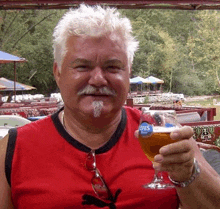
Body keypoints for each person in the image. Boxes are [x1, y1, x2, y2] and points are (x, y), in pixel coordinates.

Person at [0, 4, 220, 209]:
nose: (97, 79)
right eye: (82, 66)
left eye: (112, 67)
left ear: (128, 73)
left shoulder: (165, 134)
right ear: (58, 73)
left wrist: (187, 173)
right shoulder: (14, 148)